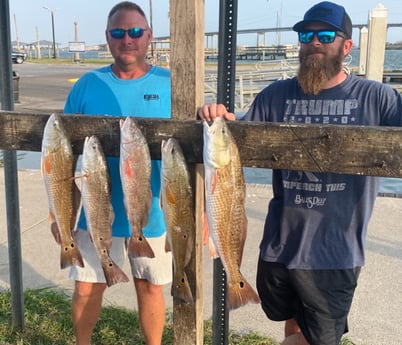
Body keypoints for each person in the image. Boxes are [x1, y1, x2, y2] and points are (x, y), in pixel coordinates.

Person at [198, 2, 402, 345]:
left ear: (346, 46)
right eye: (306, 35)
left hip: (334, 252)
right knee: (293, 325)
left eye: (325, 35)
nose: (315, 42)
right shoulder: (275, 95)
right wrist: (219, 118)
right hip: (280, 245)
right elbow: (236, 147)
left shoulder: (377, 98)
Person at [51, 2, 172, 344]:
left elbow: (194, 152)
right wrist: (57, 213)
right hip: (94, 210)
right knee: (88, 287)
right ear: (107, 38)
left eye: (135, 32)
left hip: (152, 215)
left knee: (150, 288)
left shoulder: (171, 83)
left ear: (148, 36)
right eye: (119, 33)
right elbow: (63, 156)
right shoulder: (86, 86)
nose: (127, 40)